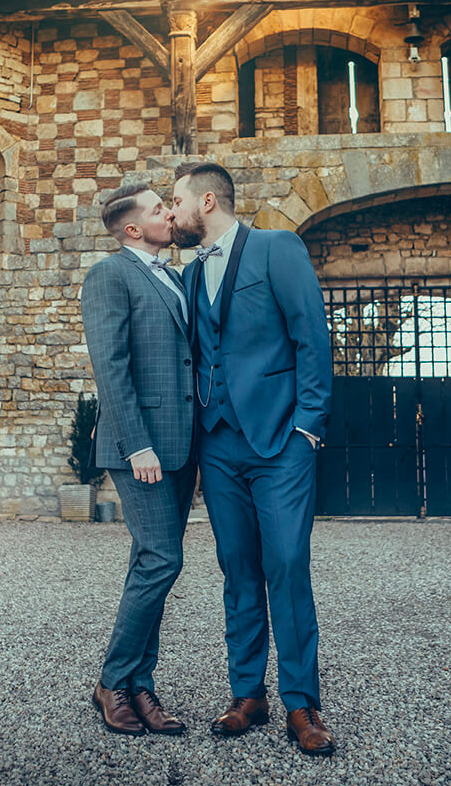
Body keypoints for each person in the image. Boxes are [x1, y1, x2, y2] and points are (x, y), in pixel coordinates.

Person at [170, 161, 336, 757]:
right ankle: (248, 693)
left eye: (176, 201)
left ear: (207, 201)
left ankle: (301, 702)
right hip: (216, 446)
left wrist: (308, 430)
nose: (171, 213)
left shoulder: (276, 248)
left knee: (287, 564)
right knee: (237, 569)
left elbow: (312, 339)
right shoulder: (188, 275)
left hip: (280, 442)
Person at [79, 183, 198, 736]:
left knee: (150, 559)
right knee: (162, 560)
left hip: (180, 443)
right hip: (141, 447)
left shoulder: (173, 274)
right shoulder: (110, 275)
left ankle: (138, 685)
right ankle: (112, 681)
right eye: (158, 210)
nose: (170, 214)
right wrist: (138, 443)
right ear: (132, 229)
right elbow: (112, 367)